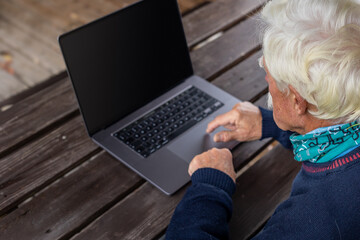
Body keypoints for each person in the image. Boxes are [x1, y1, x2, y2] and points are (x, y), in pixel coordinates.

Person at [166, 0, 360, 239]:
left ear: (298, 101)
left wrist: (210, 186)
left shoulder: (311, 224)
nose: (266, 80)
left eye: (266, 74)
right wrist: (271, 123)